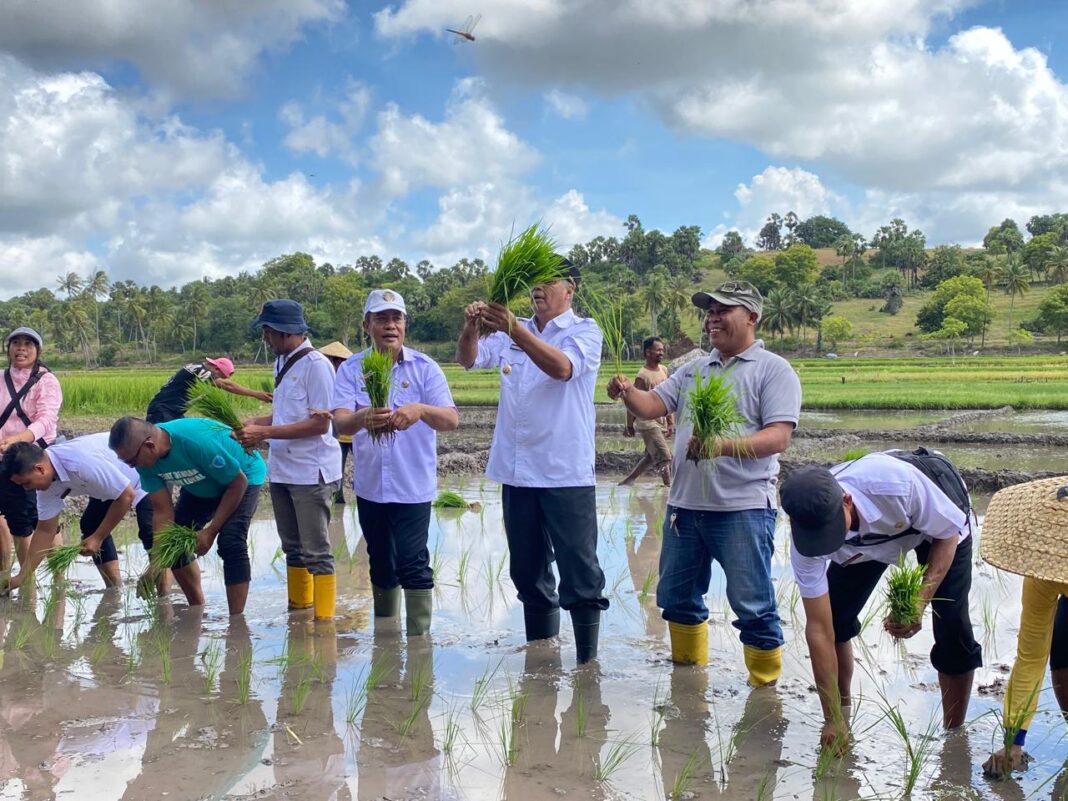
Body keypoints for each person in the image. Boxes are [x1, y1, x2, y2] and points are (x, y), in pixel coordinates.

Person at [608, 281, 800, 685]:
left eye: (722, 310)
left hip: (742, 509)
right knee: (675, 599)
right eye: (709, 312)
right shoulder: (693, 370)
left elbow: (778, 437)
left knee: (752, 605)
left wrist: (722, 446)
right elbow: (653, 405)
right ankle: (689, 682)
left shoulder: (773, 370)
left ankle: (764, 692)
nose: (712, 318)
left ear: (752, 316)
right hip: (685, 508)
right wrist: (627, 393)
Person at [457, 261, 608, 663]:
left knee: (580, 575)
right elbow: (469, 360)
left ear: (570, 290)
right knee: (527, 572)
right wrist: (472, 327)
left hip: (564, 473)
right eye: (533, 283)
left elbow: (562, 368)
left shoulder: (584, 331)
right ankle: (542, 662)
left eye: (548, 282)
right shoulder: (511, 333)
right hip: (517, 473)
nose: (538, 289)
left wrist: (515, 331)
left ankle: (586, 666)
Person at [778, 454, 981, 751]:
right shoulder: (807, 539)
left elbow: (948, 534)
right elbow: (820, 629)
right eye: (818, 539)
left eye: (833, 532)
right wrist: (832, 718)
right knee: (835, 618)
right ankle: (842, 717)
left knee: (951, 620)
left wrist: (917, 602)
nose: (827, 544)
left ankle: (954, 736)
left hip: (938, 522)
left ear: (847, 501)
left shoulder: (898, 486)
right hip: (869, 542)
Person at [333, 289, 458, 636]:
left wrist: (420, 410)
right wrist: (361, 418)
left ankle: (419, 646)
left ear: (404, 323)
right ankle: (385, 642)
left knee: (413, 563)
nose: (390, 325)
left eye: (396, 318)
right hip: (371, 487)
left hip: (412, 487)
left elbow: (450, 419)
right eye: (382, 318)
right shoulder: (352, 370)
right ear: (366, 325)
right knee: (380, 564)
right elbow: (339, 423)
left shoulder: (425, 368)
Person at [236, 300, 342, 621]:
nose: (265, 338)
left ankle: (324, 626)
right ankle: (299, 613)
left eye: (268, 332)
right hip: (282, 470)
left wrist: (263, 434)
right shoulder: (282, 363)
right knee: (292, 549)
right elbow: (285, 414)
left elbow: (321, 423)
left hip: (311, 472)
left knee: (317, 553)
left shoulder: (317, 366)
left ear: (285, 332)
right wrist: (257, 422)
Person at [108, 416, 265, 616]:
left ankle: (236, 622)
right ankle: (196, 608)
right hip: (202, 483)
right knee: (173, 543)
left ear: (149, 445)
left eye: (131, 461)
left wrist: (211, 531)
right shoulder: (144, 462)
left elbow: (237, 483)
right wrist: (156, 563)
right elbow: (162, 510)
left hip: (243, 475)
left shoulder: (194, 443)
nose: (131, 467)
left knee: (230, 540)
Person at [979, 477, 1068, 779]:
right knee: (1063, 666)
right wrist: (1013, 741)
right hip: (1060, 590)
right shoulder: (1044, 573)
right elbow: (1031, 658)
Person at [0, 435, 154, 592]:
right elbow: (46, 530)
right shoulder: (47, 483)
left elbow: (126, 495)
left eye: (27, 483)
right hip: (111, 483)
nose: (27, 489)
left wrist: (98, 537)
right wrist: (22, 576)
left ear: (39, 469)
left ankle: (165, 597)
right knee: (91, 525)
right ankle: (115, 591)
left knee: (152, 533)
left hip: (142, 471)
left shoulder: (79, 463)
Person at [0, 327, 62, 572]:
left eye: (28, 344)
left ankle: (59, 581)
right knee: (17, 521)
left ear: (38, 350)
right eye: (16, 343)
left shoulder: (46, 381)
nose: (21, 348)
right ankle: (23, 583)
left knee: (45, 518)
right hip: (5, 459)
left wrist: (20, 438)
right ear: (9, 349)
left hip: (36, 458)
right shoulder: (2, 378)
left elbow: (47, 419)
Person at [145, 357, 271, 424]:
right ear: (216, 369)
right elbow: (227, 386)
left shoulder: (200, 372)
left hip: (174, 412)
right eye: (219, 376)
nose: (217, 380)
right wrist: (256, 394)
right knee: (164, 446)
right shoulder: (199, 369)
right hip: (162, 411)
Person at [620, 336, 674, 487]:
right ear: (648, 352)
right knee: (665, 456)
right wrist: (629, 425)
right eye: (658, 350)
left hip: (660, 419)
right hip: (647, 423)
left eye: (662, 350)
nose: (661, 353)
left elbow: (668, 396)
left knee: (651, 456)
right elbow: (632, 401)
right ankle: (668, 487)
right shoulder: (642, 376)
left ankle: (628, 481)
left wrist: (670, 422)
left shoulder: (664, 370)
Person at [317, 341, 354, 505]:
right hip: (337, 433)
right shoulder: (326, 379)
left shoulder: (349, 380)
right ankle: (339, 500)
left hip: (355, 433)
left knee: (364, 469)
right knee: (337, 468)